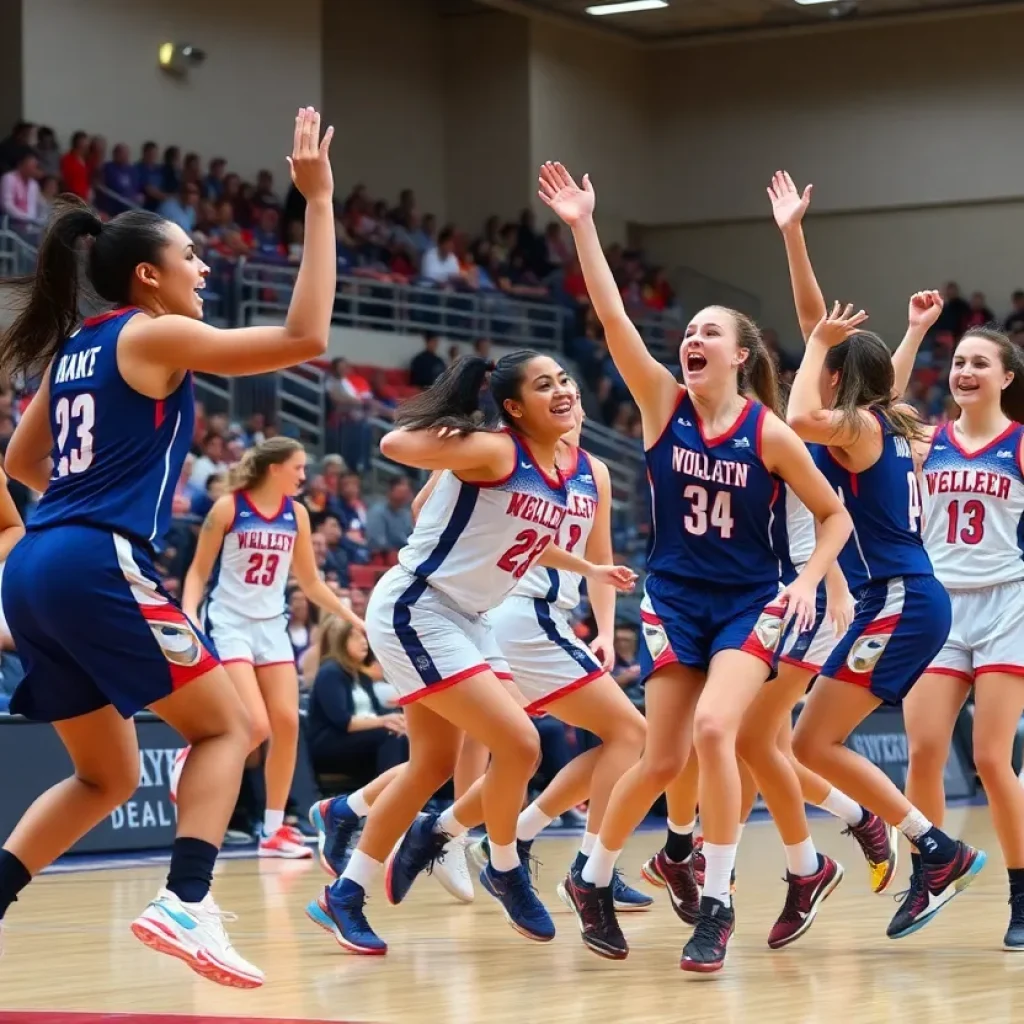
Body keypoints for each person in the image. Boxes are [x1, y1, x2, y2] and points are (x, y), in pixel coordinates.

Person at [0, 107, 336, 987]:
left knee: (104, 776)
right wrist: (319, 203)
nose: (205, 264)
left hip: (35, 566)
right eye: (192, 256)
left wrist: (75, 505)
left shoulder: (79, 345)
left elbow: (21, 461)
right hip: (91, 557)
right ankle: (186, 901)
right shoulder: (151, 332)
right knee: (231, 725)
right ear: (148, 277)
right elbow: (305, 339)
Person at [538, 160, 852, 973]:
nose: (692, 340)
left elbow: (833, 514)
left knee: (720, 731)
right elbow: (611, 320)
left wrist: (810, 580)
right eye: (689, 333)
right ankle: (590, 877)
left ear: (743, 355)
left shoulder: (770, 432)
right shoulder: (660, 404)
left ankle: (715, 904)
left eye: (710, 332)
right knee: (664, 757)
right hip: (675, 597)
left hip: (750, 601)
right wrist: (582, 225)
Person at [304, 351, 637, 955]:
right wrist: (451, 432)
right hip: (419, 607)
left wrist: (587, 565)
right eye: (544, 385)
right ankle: (504, 865)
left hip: (469, 617)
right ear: (513, 407)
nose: (562, 389)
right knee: (521, 742)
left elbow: (523, 539)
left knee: (432, 765)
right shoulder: (497, 449)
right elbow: (394, 446)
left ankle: (344, 891)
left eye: (564, 378)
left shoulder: (557, 468)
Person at [786, 300, 986, 943]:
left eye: (824, 372)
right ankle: (933, 848)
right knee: (808, 742)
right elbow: (884, 387)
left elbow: (796, 417)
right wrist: (914, 333)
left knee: (814, 745)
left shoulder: (858, 429)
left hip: (900, 597)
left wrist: (817, 340)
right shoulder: (891, 423)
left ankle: (936, 851)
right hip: (901, 598)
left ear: (838, 382)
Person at [890, 300, 1024, 948]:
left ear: (1005, 377)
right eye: (960, 361)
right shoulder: (927, 438)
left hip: (1006, 605)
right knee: (923, 751)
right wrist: (915, 330)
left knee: (993, 759)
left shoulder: (1021, 444)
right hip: (939, 605)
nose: (966, 370)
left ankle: (1022, 898)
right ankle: (930, 872)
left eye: (981, 363)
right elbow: (878, 403)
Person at [174, 437, 363, 859]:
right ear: (274, 468)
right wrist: (190, 615)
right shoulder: (229, 508)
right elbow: (197, 572)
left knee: (287, 724)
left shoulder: (296, 514)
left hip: (270, 625)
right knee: (255, 725)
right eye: (297, 468)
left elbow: (310, 583)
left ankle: (273, 830)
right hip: (230, 622)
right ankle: (189, 762)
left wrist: (351, 616)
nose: (303, 476)